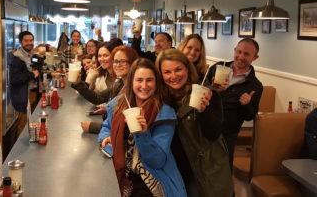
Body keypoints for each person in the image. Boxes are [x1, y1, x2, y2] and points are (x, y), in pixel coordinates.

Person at [98, 58, 187, 196]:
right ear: (131, 82)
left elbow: (157, 161)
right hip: (123, 173)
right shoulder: (120, 103)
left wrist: (142, 134)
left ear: (156, 83)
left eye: (149, 80)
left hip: (152, 179)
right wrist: (105, 137)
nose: (144, 86)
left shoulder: (164, 112)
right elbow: (106, 126)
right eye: (139, 80)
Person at [156, 49, 233, 197]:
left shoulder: (205, 93)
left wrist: (204, 112)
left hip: (203, 169)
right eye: (167, 72)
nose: (173, 76)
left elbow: (213, 134)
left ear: (187, 69)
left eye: (178, 69)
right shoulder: (162, 98)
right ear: (160, 74)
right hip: (175, 169)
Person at [207, 38, 263, 168]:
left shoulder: (255, 85)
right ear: (234, 50)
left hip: (227, 135)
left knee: (224, 171)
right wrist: (212, 88)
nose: (241, 57)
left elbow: (250, 115)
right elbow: (201, 89)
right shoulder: (218, 68)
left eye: (246, 54)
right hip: (205, 127)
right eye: (239, 52)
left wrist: (247, 104)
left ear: (255, 58)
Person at [80, 46, 139, 133]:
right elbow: (98, 98)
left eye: (123, 61)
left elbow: (129, 128)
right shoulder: (119, 83)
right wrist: (78, 83)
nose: (118, 65)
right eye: (115, 61)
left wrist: (94, 127)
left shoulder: (137, 89)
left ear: (133, 63)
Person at [9, 31, 40, 136]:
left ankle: (30, 147)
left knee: (31, 123)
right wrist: (32, 75)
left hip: (32, 93)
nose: (29, 43)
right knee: (23, 126)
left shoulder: (31, 55)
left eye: (31, 40)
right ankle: (18, 151)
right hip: (23, 96)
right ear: (21, 42)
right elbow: (14, 79)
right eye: (26, 41)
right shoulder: (16, 58)